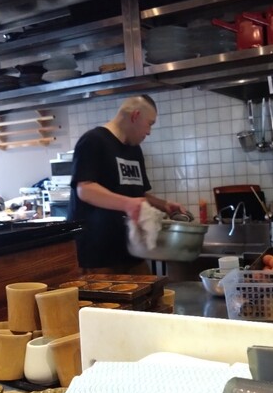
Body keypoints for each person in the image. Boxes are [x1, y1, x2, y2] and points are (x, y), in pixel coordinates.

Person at [67, 94, 185, 273]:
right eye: (150, 124)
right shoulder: (93, 140)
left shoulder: (134, 149)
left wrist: (164, 205)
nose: (149, 132)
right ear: (135, 116)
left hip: (131, 250)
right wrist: (128, 204)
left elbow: (136, 194)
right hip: (98, 256)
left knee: (152, 290)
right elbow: (85, 189)